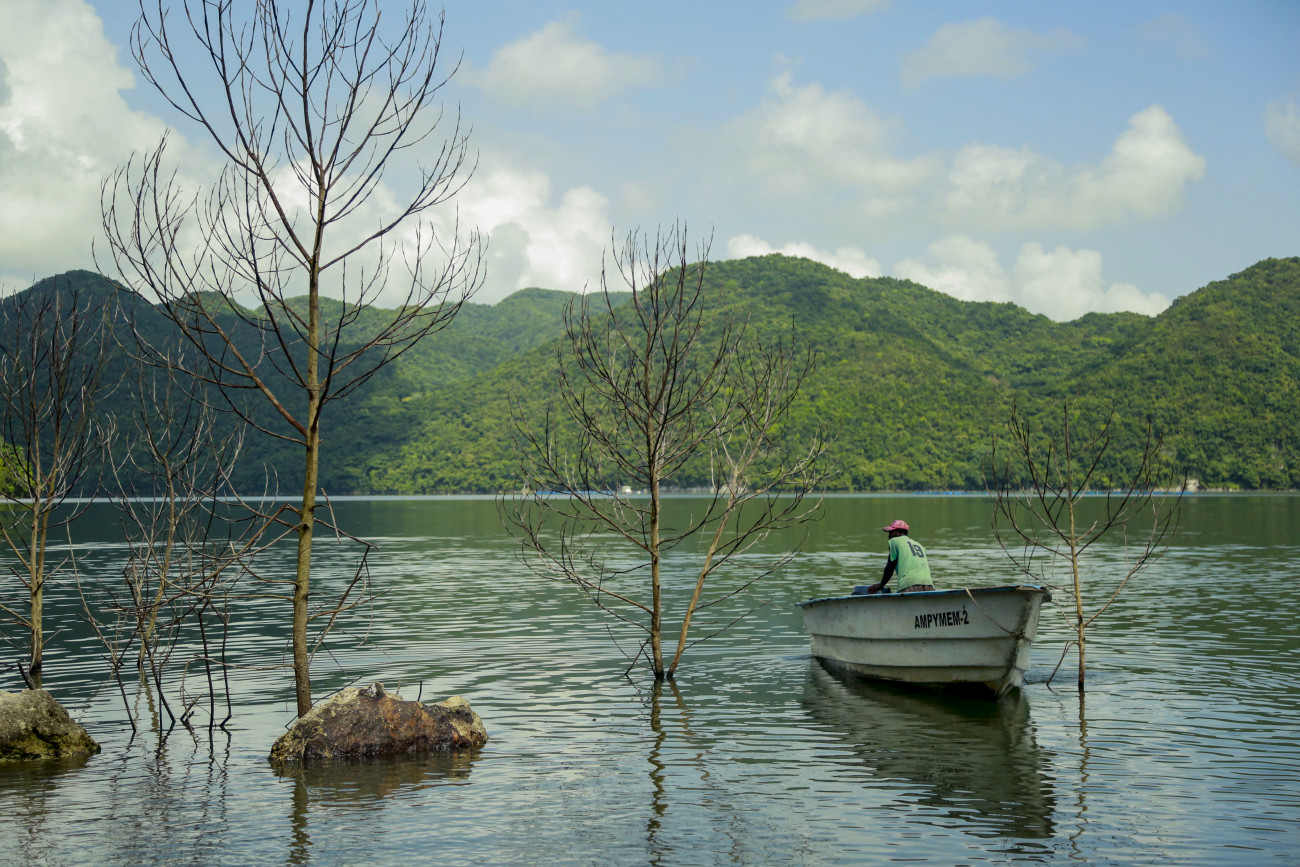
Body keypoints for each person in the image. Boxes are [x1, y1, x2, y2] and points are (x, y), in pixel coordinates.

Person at [865, 519, 936, 594]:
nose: (889, 535)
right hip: (929, 584)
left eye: (891, 532)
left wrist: (881, 585)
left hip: (909, 584)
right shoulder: (919, 545)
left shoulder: (895, 541)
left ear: (900, 532)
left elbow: (890, 567)